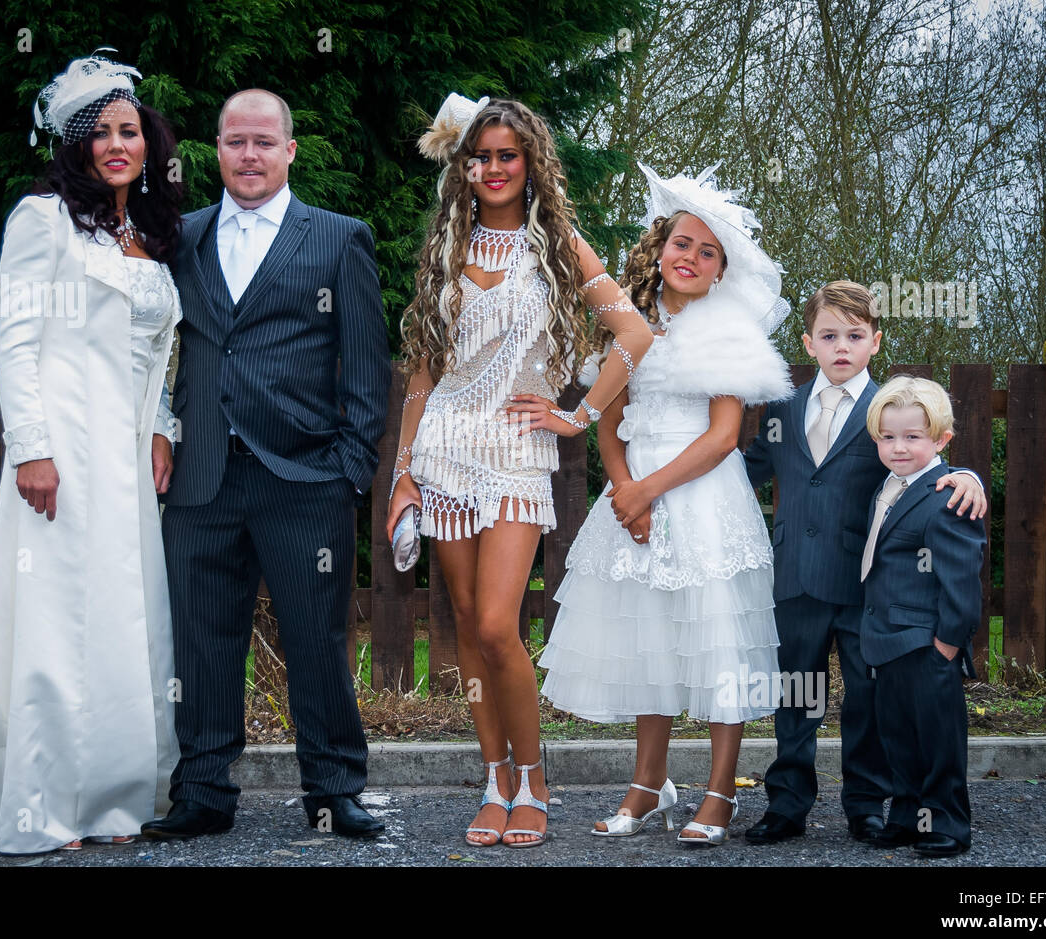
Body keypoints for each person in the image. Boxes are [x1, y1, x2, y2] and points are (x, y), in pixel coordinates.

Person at [0, 54, 183, 853]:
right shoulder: (42, 220)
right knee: (60, 621)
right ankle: (43, 802)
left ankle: (113, 797)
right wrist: (30, 449)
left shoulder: (153, 233)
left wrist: (164, 424)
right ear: (73, 147)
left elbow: (160, 348)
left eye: (129, 131)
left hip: (129, 459)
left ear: (149, 143)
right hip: (63, 451)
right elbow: (18, 339)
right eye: (99, 133)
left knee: (121, 622)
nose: (116, 144)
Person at [385, 94, 654, 848]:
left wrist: (578, 414)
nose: (494, 168)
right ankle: (494, 779)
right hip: (443, 453)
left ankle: (534, 778)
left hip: (514, 458)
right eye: (481, 156)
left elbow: (633, 331)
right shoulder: (448, 246)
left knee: (500, 624)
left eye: (507, 154)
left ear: (529, 162)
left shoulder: (559, 243)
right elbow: (422, 375)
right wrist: (403, 474)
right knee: (468, 624)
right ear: (464, 167)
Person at [141, 89, 391, 841]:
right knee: (202, 641)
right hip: (201, 477)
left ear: (289, 151)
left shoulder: (338, 239)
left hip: (304, 478)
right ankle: (204, 792)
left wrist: (349, 467)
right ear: (215, 151)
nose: (248, 155)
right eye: (234, 141)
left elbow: (367, 366)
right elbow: (155, 349)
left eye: (263, 142)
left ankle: (334, 789)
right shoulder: (178, 237)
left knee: (316, 640)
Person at [539, 162, 794, 846]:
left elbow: (722, 437)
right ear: (661, 246)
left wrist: (650, 490)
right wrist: (625, 487)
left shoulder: (727, 331)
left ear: (720, 271)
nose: (692, 257)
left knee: (716, 644)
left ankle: (718, 794)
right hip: (634, 498)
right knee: (649, 639)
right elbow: (607, 416)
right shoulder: (630, 324)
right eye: (683, 243)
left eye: (708, 252)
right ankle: (647, 788)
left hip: (702, 496)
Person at [739, 281, 988, 846]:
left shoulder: (886, 411)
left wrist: (967, 475)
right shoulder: (782, 408)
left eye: (855, 335)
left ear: (875, 341)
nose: (842, 346)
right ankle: (788, 803)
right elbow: (747, 471)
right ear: (809, 342)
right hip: (796, 579)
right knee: (797, 695)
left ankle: (867, 805)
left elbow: (921, 461)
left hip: (864, 585)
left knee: (869, 702)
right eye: (829, 336)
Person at [859, 376, 985, 858]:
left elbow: (960, 579)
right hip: (886, 640)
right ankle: (910, 817)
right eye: (888, 437)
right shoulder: (888, 487)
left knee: (937, 739)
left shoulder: (949, 496)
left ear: (941, 440)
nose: (898, 447)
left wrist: (947, 644)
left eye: (913, 437)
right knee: (899, 737)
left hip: (928, 642)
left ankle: (949, 823)